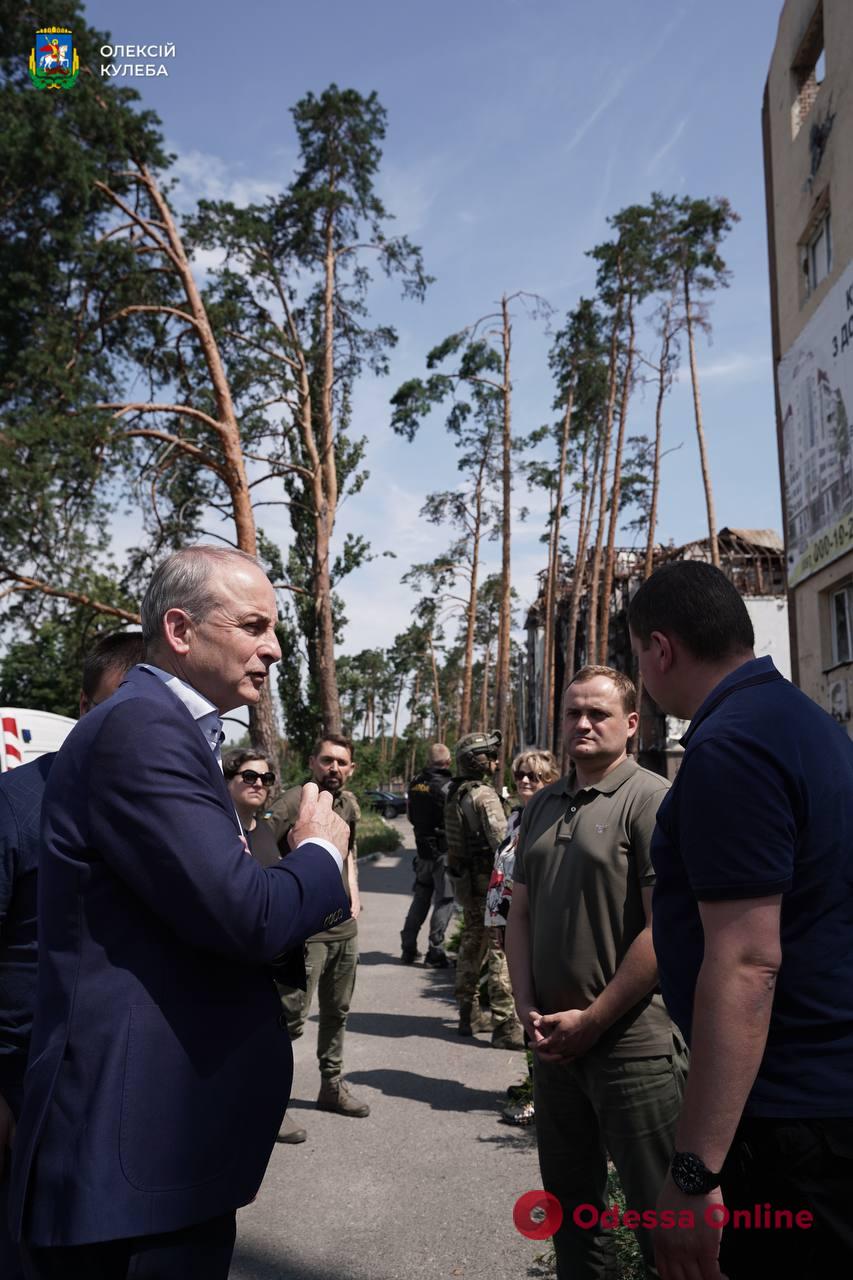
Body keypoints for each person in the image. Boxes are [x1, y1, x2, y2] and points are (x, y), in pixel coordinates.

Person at [9, 546, 351, 1280]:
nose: (275, 647)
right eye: (254, 625)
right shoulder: (143, 727)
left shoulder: (168, 729)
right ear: (179, 629)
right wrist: (320, 855)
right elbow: (246, 913)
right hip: (140, 1150)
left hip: (160, 1144)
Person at [629, 560, 853, 1280]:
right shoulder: (803, 725)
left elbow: (747, 965)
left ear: (659, 648)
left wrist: (693, 1173)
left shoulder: (732, 749)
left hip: (791, 1122)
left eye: (637, 657)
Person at [506, 665, 684, 1280]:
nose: (582, 723)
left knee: (662, 1223)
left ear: (632, 725)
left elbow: (665, 931)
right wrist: (526, 1007)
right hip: (555, 1046)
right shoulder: (543, 803)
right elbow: (519, 914)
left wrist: (595, 1018)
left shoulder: (651, 799)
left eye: (598, 714)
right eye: (573, 712)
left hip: (631, 1046)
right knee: (572, 1214)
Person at [0, 631, 145, 1280]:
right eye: (116, 707)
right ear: (83, 710)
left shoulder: (161, 819)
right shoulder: (16, 806)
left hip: (114, 1100)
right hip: (19, 1089)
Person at [270, 734, 370, 1126]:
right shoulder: (297, 801)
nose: (334, 768)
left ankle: (331, 1087)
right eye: (327, 760)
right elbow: (261, 838)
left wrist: (355, 894)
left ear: (351, 768)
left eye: (342, 762)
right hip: (306, 935)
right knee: (289, 1019)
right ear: (312, 762)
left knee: (336, 1013)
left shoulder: (348, 804)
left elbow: (350, 854)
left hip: (344, 930)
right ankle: (268, 1101)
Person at [484, 748, 559, 1127]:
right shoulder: (517, 818)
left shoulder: (551, 822)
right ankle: (538, 1086)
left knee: (538, 1012)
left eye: (535, 776)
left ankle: (542, 1095)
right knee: (525, 1006)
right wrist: (498, 925)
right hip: (511, 929)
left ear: (551, 781)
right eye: (520, 777)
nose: (525, 782)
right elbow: (502, 875)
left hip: (536, 932)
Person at [445, 731, 524, 1050]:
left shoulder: (454, 793)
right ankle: (505, 1025)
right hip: (488, 883)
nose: (494, 761)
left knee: (471, 938)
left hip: (465, 881)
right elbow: (502, 844)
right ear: (473, 760)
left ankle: (468, 1012)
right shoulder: (484, 795)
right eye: (488, 755)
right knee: (500, 949)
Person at [400, 742, 454, 966]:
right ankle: (435, 951)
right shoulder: (448, 786)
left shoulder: (415, 783)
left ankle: (408, 948)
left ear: (428, 761)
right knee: (445, 900)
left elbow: (410, 815)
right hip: (443, 852)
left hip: (421, 851)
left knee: (421, 897)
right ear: (448, 762)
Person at [223, 749, 280, 866]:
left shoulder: (267, 830)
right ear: (228, 780)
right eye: (250, 776)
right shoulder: (215, 829)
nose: (259, 784)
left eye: (266, 778)